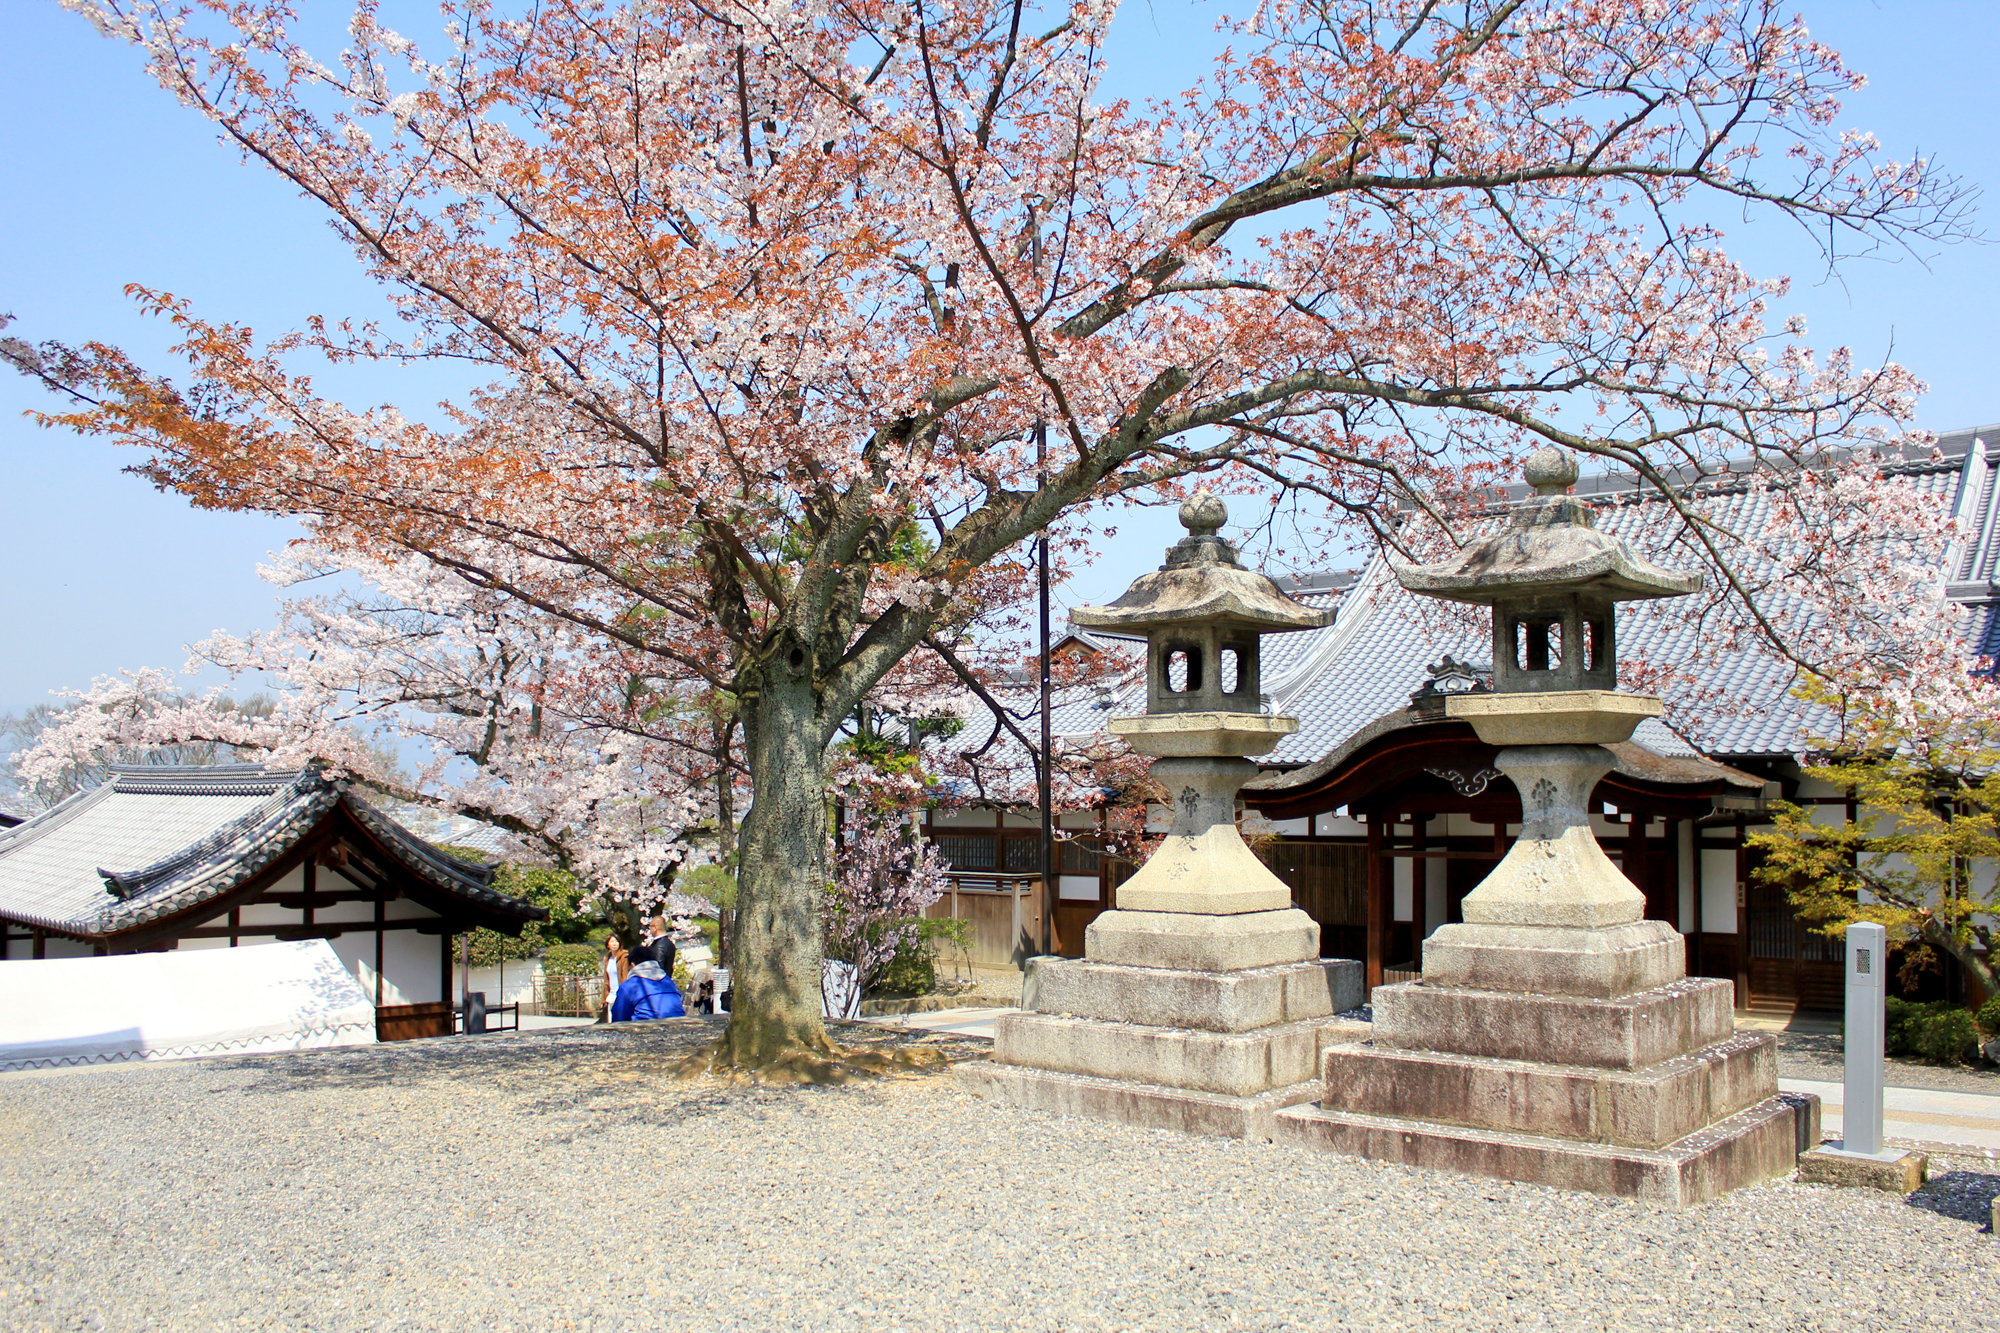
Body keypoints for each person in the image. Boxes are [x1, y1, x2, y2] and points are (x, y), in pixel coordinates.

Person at [611, 915, 685, 1021]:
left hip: (646, 1031)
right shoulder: (669, 982)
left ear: (632, 965)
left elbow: (618, 1019)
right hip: (679, 1028)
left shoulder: (630, 986)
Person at [597, 935, 628, 1024]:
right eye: (612, 942)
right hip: (611, 994)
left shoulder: (624, 957)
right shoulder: (607, 959)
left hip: (620, 993)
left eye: (616, 941)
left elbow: (625, 976)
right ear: (608, 945)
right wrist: (605, 995)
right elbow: (606, 979)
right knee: (610, 1020)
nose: (614, 944)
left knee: (620, 1020)